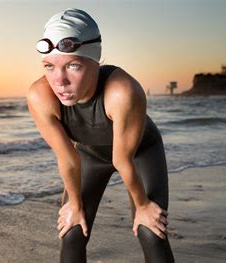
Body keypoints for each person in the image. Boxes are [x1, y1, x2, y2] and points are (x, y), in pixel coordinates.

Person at [26, 8, 175, 262]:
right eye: (49, 66)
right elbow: (69, 159)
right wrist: (74, 206)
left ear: (95, 61)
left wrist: (142, 207)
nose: (59, 80)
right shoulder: (40, 96)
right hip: (89, 155)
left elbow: (122, 160)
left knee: (149, 230)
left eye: (73, 65)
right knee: (72, 230)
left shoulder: (122, 91)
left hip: (140, 152)